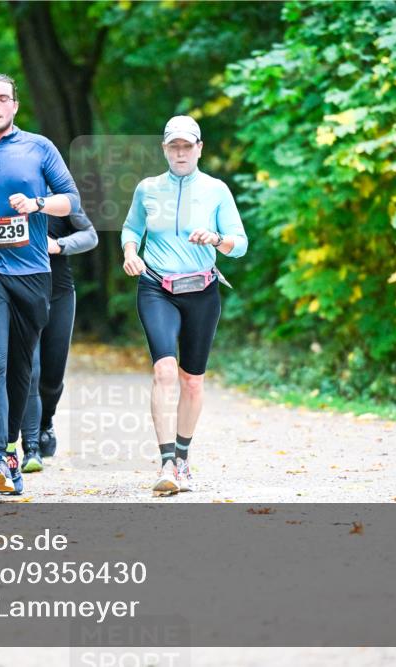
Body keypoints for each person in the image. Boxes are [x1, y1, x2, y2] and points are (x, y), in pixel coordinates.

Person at [0, 72, 81, 495]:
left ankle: (17, 450)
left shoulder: (39, 147)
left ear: (15, 105)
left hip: (33, 271)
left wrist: (38, 203)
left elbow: (71, 201)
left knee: (23, 368)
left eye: (2, 99)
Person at [121, 115, 248, 496]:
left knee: (191, 381)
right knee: (163, 371)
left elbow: (239, 244)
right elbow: (131, 229)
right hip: (156, 287)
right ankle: (166, 464)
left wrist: (216, 238)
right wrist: (130, 252)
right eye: (173, 145)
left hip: (202, 292)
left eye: (187, 145)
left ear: (199, 149)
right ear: (164, 149)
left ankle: (183, 456)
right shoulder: (147, 189)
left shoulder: (216, 190)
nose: (180, 152)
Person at [19, 206, 98, 472]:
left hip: (60, 293)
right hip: (21, 293)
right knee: (31, 371)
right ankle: (30, 446)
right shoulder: (6, 193)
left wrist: (59, 245)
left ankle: (45, 422)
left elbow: (90, 235)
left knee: (52, 376)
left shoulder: (60, 197)